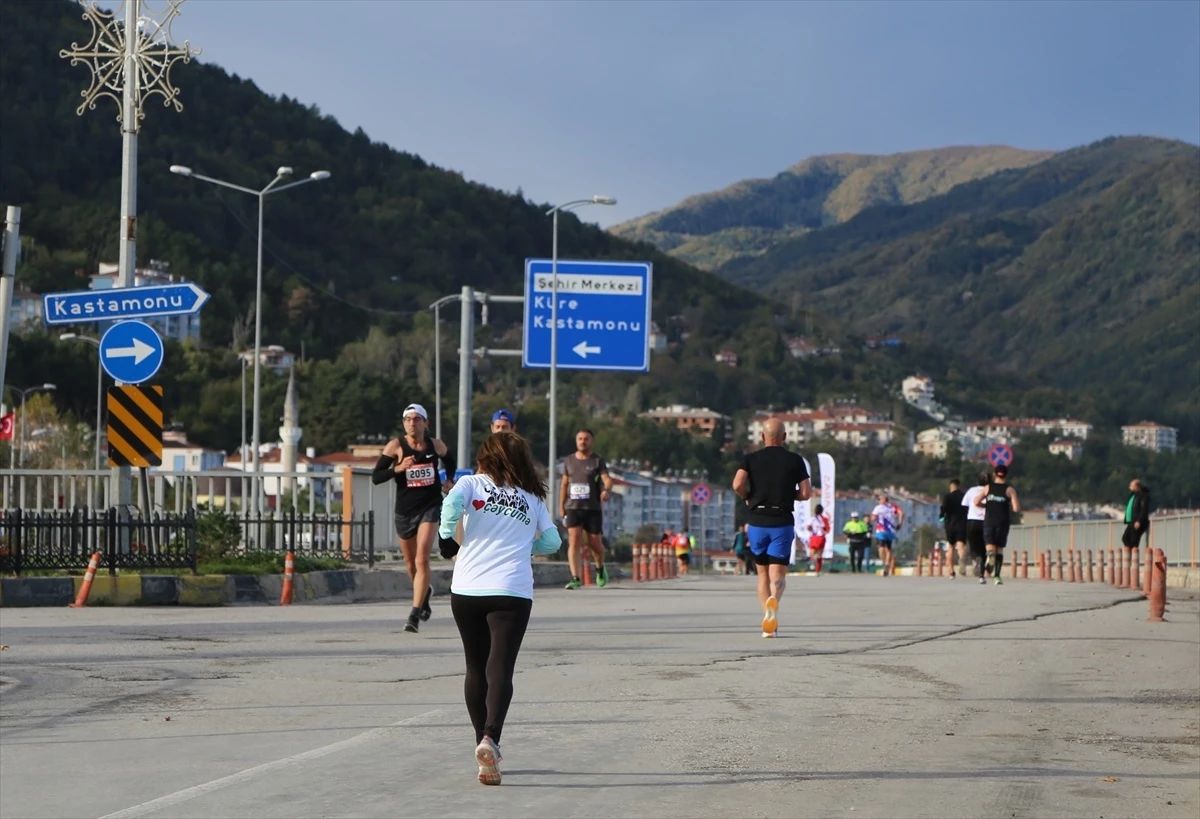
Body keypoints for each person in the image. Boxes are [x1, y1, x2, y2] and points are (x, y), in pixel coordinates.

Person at [436, 432, 560, 786]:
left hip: (467, 589)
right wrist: (524, 546)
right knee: (500, 668)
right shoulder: (532, 498)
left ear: (486, 456)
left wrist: (448, 535)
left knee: (475, 667)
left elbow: (449, 507)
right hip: (511, 591)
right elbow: (552, 541)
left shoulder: (471, 484)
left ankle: (481, 744)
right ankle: (491, 737)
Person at [372, 403, 455, 633]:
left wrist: (449, 479)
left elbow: (450, 460)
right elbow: (376, 477)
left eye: (417, 419)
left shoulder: (434, 445)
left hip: (430, 506)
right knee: (410, 564)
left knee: (421, 560)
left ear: (425, 423)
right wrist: (397, 470)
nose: (412, 423)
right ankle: (424, 594)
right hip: (405, 510)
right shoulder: (396, 446)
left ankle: (414, 614)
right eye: (408, 419)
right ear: (403, 423)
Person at [732, 418, 812, 638]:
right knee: (778, 577)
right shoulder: (795, 460)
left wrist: (748, 497)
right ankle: (773, 605)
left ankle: (769, 622)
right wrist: (789, 495)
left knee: (762, 576)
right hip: (782, 521)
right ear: (785, 437)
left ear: (762, 437)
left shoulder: (750, 459)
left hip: (757, 521)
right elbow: (806, 494)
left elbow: (737, 484)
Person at [559, 429, 613, 589]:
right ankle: (575, 577)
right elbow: (564, 485)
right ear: (576, 441)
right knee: (574, 540)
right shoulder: (569, 461)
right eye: (580, 439)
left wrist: (606, 490)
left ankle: (600, 567)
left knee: (595, 544)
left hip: (592, 508)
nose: (583, 441)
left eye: (586, 439)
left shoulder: (597, 461)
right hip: (573, 507)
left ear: (591, 441)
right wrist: (561, 507)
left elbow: (607, 480)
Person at [974, 464, 1020, 586]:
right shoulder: (1010, 490)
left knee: (990, 546)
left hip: (989, 521)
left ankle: (990, 555)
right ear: (1006, 475)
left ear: (994, 474)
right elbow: (1016, 508)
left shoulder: (987, 488)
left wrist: (987, 505)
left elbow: (976, 502)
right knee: (999, 549)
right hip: (1003, 522)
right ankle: (997, 577)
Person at [962, 471, 989, 582]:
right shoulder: (991, 491)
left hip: (972, 521)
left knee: (974, 547)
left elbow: (964, 505)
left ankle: (976, 560)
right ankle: (982, 575)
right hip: (987, 522)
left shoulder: (971, 490)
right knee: (984, 549)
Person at [941, 479, 967, 578]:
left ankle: (951, 571)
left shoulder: (947, 497)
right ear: (959, 486)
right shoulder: (964, 496)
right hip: (962, 523)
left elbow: (943, 510)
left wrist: (941, 517)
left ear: (950, 487)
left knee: (950, 546)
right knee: (960, 545)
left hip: (950, 524)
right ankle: (962, 561)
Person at [870, 493, 900, 577]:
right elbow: (902, 513)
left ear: (884, 499)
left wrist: (874, 518)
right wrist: (900, 523)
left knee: (881, 547)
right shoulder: (893, 506)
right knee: (888, 549)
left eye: (879, 499)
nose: (878, 501)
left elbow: (873, 518)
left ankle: (884, 563)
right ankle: (886, 563)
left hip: (881, 530)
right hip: (891, 531)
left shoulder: (878, 508)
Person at [1121, 478, 1152, 555]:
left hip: (1138, 522)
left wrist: (1139, 521)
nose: (1129, 487)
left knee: (1134, 541)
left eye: (1131, 486)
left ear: (1137, 486)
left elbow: (1144, 510)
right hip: (1131, 522)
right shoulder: (1134, 495)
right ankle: (1130, 556)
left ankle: (1133, 559)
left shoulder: (1143, 495)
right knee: (1125, 538)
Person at [807, 503, 831, 575]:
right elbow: (828, 530)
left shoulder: (812, 518)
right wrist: (822, 530)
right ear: (822, 511)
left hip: (814, 537)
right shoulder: (824, 519)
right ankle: (817, 570)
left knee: (812, 553)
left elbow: (808, 527)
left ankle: (812, 565)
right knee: (819, 554)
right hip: (821, 538)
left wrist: (812, 529)